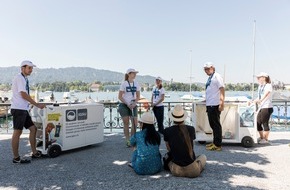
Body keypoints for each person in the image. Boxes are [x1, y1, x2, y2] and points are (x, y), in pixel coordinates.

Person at [11, 60, 45, 164]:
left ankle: (34, 153)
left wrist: (28, 106)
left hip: (23, 109)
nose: (31, 70)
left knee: (33, 128)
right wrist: (36, 104)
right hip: (19, 109)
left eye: (32, 68)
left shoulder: (24, 78)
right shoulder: (19, 78)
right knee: (17, 132)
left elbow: (24, 95)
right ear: (22, 68)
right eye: (29, 68)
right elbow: (23, 94)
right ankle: (16, 158)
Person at [163, 104, 206, 178]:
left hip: (176, 170)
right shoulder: (191, 129)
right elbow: (190, 146)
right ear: (183, 117)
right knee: (203, 156)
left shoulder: (167, 130)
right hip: (193, 171)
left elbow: (168, 148)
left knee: (166, 157)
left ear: (173, 118)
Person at [203, 62, 225, 151]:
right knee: (212, 124)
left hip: (215, 104)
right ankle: (215, 142)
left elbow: (222, 89)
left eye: (208, 68)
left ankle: (218, 145)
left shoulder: (217, 76)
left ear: (212, 68)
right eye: (205, 69)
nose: (206, 70)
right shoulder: (210, 78)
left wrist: (221, 103)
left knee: (216, 125)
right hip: (210, 104)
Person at [118, 68, 141, 147]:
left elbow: (138, 96)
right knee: (126, 123)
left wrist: (135, 103)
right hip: (124, 105)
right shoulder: (124, 84)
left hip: (133, 105)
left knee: (135, 123)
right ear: (129, 74)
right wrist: (128, 104)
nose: (135, 75)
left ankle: (132, 139)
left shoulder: (136, 83)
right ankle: (127, 140)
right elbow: (120, 97)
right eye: (133, 73)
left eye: (135, 73)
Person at [251, 72, 273, 144]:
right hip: (261, 107)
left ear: (264, 78)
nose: (258, 79)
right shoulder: (260, 86)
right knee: (257, 123)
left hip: (267, 107)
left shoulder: (268, 85)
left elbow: (267, 94)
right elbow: (259, 96)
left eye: (259, 77)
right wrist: (253, 101)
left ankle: (266, 139)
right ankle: (262, 137)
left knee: (265, 123)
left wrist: (261, 100)